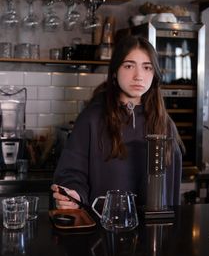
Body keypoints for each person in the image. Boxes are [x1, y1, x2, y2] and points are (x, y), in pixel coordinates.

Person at [51, 35, 183, 209]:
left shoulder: (164, 123)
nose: (138, 76)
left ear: (154, 74)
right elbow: (71, 172)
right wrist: (74, 194)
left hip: (152, 231)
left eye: (147, 67)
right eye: (129, 66)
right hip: (102, 229)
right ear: (115, 71)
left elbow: (171, 186)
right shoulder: (92, 118)